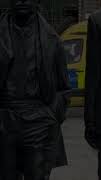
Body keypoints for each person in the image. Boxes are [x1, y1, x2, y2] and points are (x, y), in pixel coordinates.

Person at [0, 0, 70, 179]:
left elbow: (63, 87)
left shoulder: (51, 39)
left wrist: (51, 115)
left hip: (38, 119)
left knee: (37, 174)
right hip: (4, 118)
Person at [84, 5, 101, 180]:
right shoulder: (98, 19)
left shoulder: (98, 19)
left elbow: (92, 75)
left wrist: (90, 121)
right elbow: (93, 75)